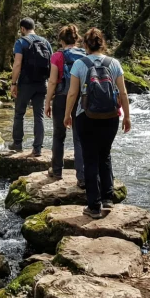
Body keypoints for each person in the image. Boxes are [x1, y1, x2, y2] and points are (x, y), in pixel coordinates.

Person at [63, 28, 132, 219]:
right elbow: (123, 92)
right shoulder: (114, 63)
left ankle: (94, 207)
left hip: (86, 117)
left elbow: (72, 93)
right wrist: (127, 116)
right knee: (105, 155)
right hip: (110, 116)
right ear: (103, 43)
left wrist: (67, 114)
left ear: (85, 44)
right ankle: (108, 199)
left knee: (90, 159)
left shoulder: (79, 64)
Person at [45, 24, 87, 185]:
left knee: (59, 135)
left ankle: (56, 171)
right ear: (77, 39)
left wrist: (48, 102)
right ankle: (82, 177)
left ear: (61, 40)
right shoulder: (85, 55)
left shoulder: (57, 56)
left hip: (62, 97)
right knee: (79, 138)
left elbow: (53, 81)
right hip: (81, 99)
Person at [9, 17, 53, 156]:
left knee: (19, 113)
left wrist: (13, 83)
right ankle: (37, 148)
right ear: (34, 27)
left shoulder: (21, 42)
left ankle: (17, 144)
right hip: (42, 83)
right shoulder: (45, 42)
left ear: (22, 29)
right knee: (39, 116)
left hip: (26, 83)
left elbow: (17, 64)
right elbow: (52, 64)